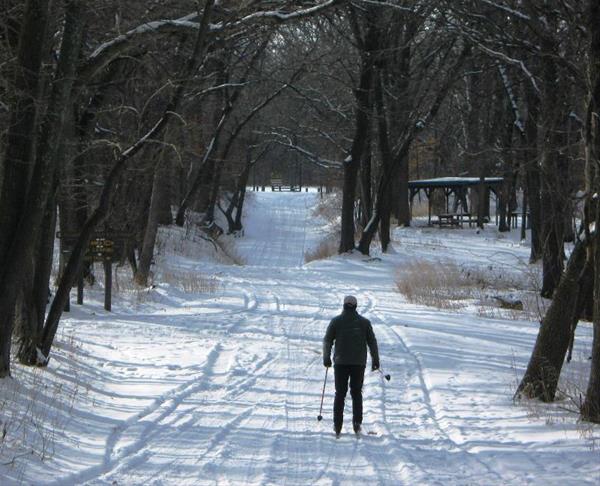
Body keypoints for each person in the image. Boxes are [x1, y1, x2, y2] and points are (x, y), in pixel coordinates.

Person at [323, 295, 380, 436]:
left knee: (340, 393)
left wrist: (326, 358)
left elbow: (327, 341)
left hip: (341, 362)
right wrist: (375, 360)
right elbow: (372, 342)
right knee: (356, 393)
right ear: (355, 306)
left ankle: (337, 425)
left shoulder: (336, 321)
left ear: (343, 305)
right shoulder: (364, 323)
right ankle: (357, 424)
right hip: (358, 363)